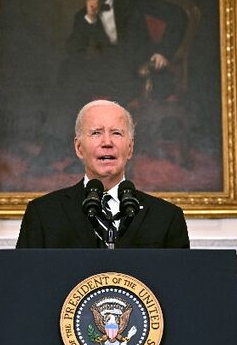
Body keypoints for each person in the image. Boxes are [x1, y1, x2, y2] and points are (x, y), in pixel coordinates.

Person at [16, 100, 189, 248]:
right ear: (79, 148)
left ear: (130, 148)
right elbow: (25, 281)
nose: (107, 142)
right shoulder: (43, 214)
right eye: (96, 133)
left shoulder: (167, 217)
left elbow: (180, 284)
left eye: (116, 133)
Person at [61, 0, 187, 105]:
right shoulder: (83, 15)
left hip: (140, 71)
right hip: (105, 76)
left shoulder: (135, 0)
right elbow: (73, 51)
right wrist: (90, 18)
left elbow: (178, 15)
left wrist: (163, 52)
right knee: (67, 70)